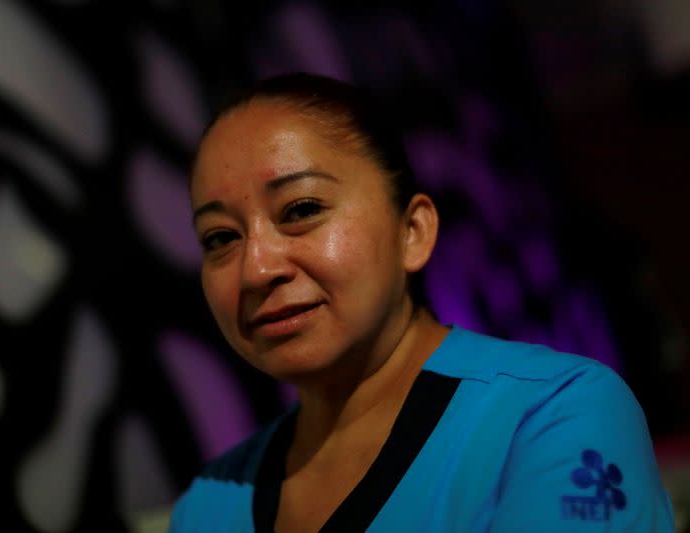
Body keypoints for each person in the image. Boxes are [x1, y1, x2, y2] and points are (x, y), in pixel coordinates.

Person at [168, 73, 674, 532]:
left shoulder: (552, 417)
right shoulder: (209, 506)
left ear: (413, 231)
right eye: (219, 239)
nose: (256, 268)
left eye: (301, 209)